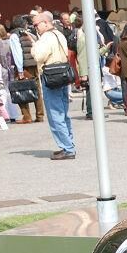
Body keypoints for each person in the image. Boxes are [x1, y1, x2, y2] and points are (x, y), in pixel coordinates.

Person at [31, 11, 75, 159]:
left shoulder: (45, 38)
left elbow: (38, 56)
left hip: (50, 77)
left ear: (46, 22)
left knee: (55, 114)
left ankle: (67, 148)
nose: (35, 27)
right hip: (62, 74)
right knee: (63, 113)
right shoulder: (59, 34)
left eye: (36, 24)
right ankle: (69, 144)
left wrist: (34, 44)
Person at [75, 15, 108, 120]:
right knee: (91, 91)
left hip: (91, 67)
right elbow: (82, 56)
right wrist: (83, 73)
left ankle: (93, 112)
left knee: (93, 90)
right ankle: (91, 112)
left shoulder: (86, 37)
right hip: (89, 69)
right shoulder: (84, 38)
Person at [12, 16, 42, 124]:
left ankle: (26, 116)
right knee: (36, 89)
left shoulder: (14, 36)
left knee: (21, 90)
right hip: (34, 64)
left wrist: (20, 70)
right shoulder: (29, 34)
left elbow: (17, 53)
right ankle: (40, 115)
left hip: (24, 66)